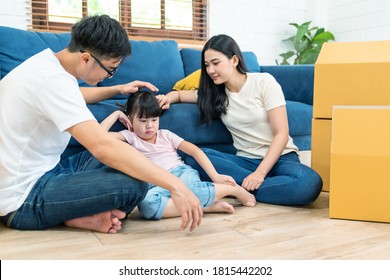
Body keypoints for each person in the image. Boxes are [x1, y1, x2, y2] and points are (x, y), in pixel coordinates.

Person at [0, 15, 203, 234]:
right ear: (86, 58)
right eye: (110, 69)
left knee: (125, 154)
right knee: (135, 185)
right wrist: (176, 185)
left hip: (46, 170)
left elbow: (73, 94)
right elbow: (103, 147)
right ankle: (72, 214)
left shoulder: (46, 65)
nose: (109, 77)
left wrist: (119, 89)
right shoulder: (52, 82)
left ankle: (78, 215)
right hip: (22, 199)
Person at [157, 34, 323, 206]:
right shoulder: (214, 94)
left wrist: (259, 174)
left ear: (234, 60)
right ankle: (261, 187)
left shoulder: (263, 82)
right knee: (195, 158)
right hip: (246, 162)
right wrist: (167, 98)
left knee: (309, 183)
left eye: (215, 63)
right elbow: (180, 95)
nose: (210, 70)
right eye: (207, 65)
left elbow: (281, 134)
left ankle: (237, 188)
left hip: (282, 158)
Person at [100, 91, 256, 220]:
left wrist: (215, 176)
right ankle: (204, 207)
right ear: (130, 120)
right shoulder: (130, 136)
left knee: (196, 189)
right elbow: (98, 137)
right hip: (155, 182)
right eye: (142, 121)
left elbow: (195, 151)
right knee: (147, 206)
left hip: (180, 174)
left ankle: (234, 190)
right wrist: (116, 114)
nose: (150, 126)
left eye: (154, 120)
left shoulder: (165, 135)